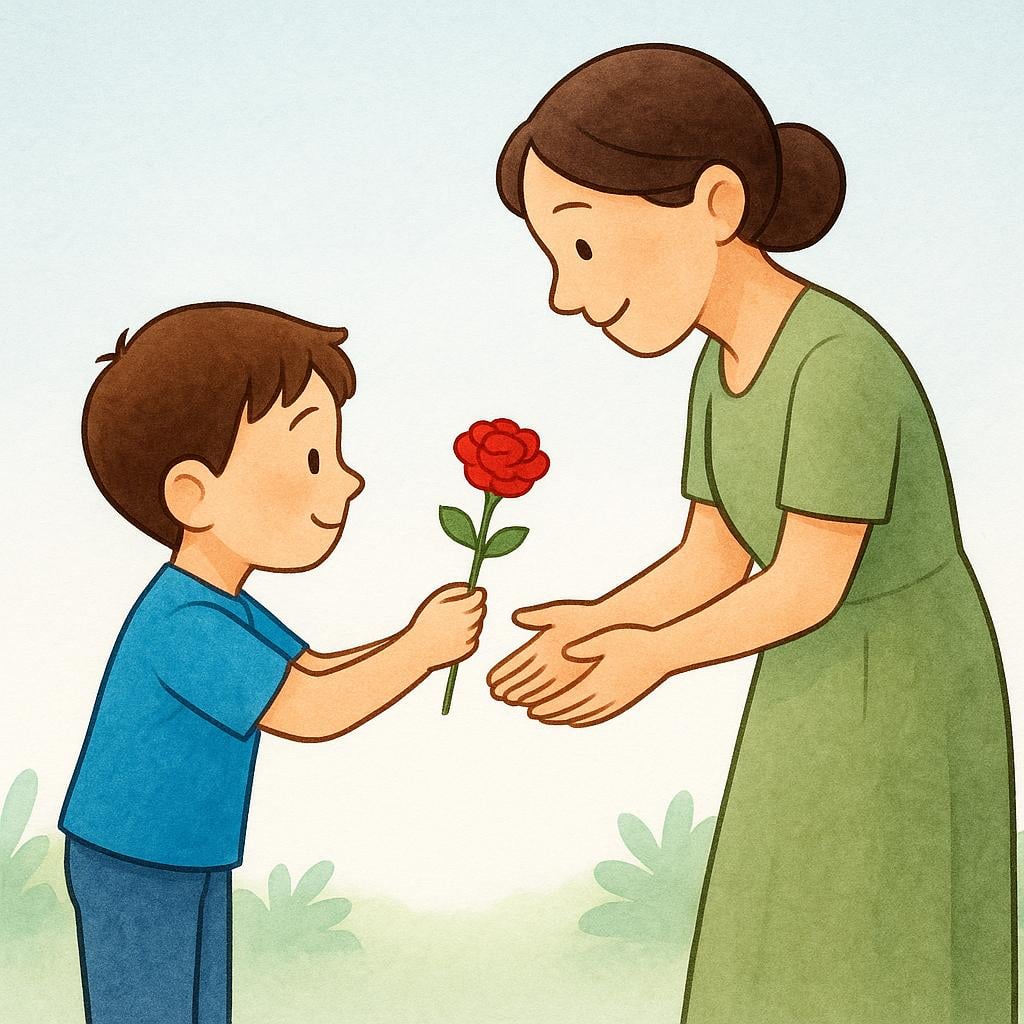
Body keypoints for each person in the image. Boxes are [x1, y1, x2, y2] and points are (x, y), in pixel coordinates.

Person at [487, 44, 1015, 1023]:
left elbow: (805, 582)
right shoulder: (717, 368)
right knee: (777, 927)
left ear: (715, 204)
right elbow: (713, 557)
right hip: (803, 678)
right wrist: (605, 619)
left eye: (583, 247)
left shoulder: (837, 364)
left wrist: (650, 656)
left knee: (872, 937)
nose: (566, 293)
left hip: (898, 686)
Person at [59, 302, 486, 1023]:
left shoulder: (222, 606)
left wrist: (414, 638)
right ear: (193, 493)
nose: (347, 482)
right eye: (313, 458)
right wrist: (419, 651)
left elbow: (314, 669)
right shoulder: (187, 626)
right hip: (134, 862)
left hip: (186, 853)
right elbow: (309, 710)